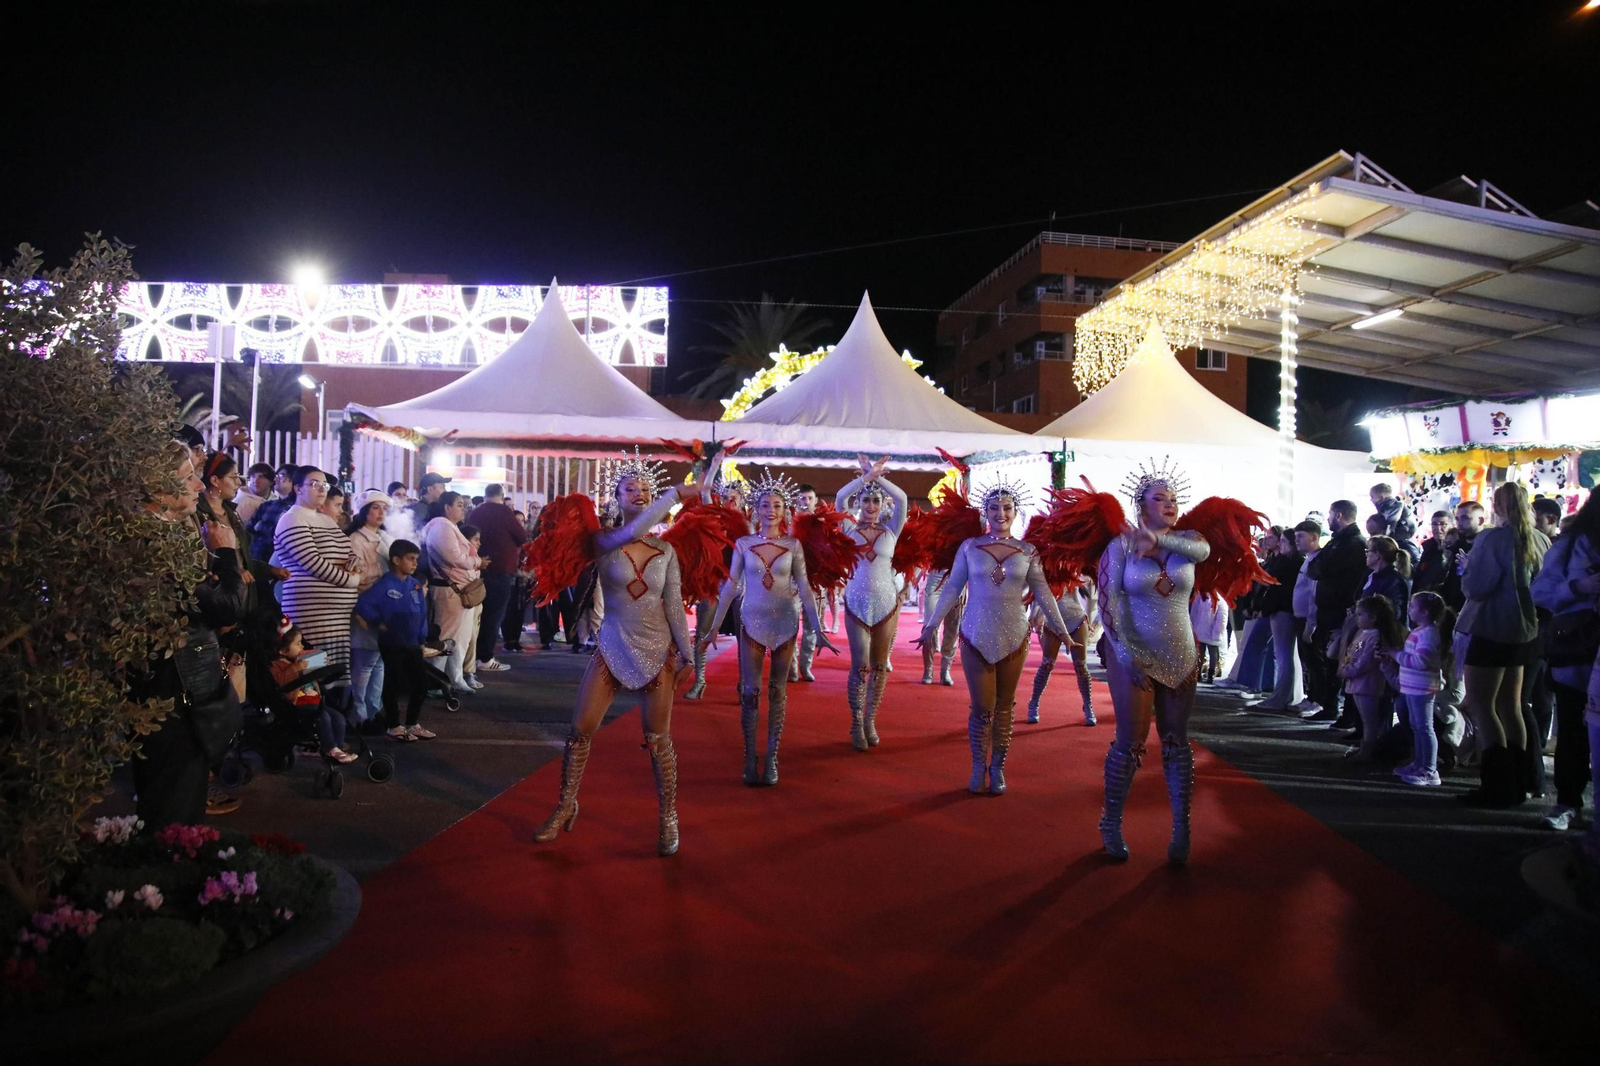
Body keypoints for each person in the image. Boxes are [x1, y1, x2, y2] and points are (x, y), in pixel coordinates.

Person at [533, 458, 703, 855]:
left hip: (657, 648)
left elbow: (675, 605)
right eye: (631, 489)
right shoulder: (604, 541)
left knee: (657, 739)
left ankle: (667, 818)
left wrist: (689, 655)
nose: (640, 494)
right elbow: (632, 532)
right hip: (611, 645)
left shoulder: (665, 550)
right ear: (616, 498)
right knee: (579, 731)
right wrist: (674, 494)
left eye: (646, 489)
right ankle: (565, 805)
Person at [917, 479, 1072, 796]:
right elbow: (952, 587)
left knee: (1005, 707)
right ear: (984, 512)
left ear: (1016, 512)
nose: (1000, 513)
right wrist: (931, 624)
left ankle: (998, 768)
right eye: (994, 508)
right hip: (975, 632)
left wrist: (1064, 631)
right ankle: (977, 766)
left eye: (1007, 508)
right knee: (981, 707)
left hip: (1015, 635)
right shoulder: (970, 547)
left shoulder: (1028, 551)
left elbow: (1043, 593)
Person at [131, 441, 249, 827]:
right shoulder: (152, 544)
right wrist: (228, 555)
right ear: (160, 487)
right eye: (189, 477)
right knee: (173, 810)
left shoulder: (160, 535)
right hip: (171, 695)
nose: (200, 487)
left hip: (175, 688)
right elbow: (226, 606)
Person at [702, 470, 835, 786]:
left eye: (776, 505)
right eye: (765, 504)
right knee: (750, 691)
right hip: (752, 619)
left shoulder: (793, 545)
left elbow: (803, 586)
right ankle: (750, 756)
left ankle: (772, 757)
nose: (770, 510)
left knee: (778, 690)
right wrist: (713, 627)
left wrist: (818, 629)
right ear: (755, 508)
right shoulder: (743, 543)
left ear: (785, 510)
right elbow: (732, 585)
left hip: (786, 620)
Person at [1457, 482, 1551, 807]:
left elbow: (1478, 585)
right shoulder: (1539, 539)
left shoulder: (1493, 539)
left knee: (1482, 704)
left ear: (1496, 506)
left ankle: (1497, 785)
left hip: (1490, 626)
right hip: (1525, 630)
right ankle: (1520, 781)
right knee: (1512, 706)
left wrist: (1465, 573)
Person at [1531, 488, 1600, 830]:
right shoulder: (1569, 546)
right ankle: (1568, 802)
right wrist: (1578, 589)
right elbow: (1539, 592)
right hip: (1577, 648)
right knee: (1573, 726)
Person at [833, 456, 909, 750]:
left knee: (878, 666)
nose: (870, 505)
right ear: (859, 504)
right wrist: (866, 477)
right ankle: (855, 720)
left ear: (882, 504)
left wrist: (878, 477)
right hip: (855, 603)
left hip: (886, 604)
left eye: (876, 500)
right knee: (860, 666)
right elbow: (840, 497)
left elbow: (901, 498)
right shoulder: (848, 530)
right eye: (865, 500)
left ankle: (870, 719)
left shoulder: (892, 531)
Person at [273, 466, 361, 698]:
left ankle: (332, 724)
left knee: (333, 673)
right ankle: (315, 724)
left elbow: (349, 553)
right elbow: (312, 562)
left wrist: (354, 568)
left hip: (337, 619)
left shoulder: (326, 519)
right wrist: (351, 582)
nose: (322, 489)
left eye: (324, 485)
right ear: (298, 488)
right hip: (311, 615)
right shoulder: (291, 518)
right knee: (313, 676)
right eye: (314, 484)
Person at [356, 539, 431, 742]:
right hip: (392, 642)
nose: (415, 563)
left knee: (420, 684)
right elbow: (363, 603)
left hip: (412, 642)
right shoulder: (384, 584)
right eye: (410, 559)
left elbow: (422, 614)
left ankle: (412, 723)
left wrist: (422, 639)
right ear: (396, 560)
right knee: (393, 683)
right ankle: (393, 725)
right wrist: (377, 622)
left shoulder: (415, 585)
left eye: (416, 559)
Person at [1305, 501, 1369, 724]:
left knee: (1339, 660)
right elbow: (1314, 568)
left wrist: (1322, 569)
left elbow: (1324, 568)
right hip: (1328, 609)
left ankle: (1342, 710)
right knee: (1328, 658)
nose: (1328, 520)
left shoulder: (1353, 544)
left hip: (1341, 610)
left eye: (1331, 515)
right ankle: (1329, 705)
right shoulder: (1336, 542)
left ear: (1339, 515)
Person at [1387, 591, 1454, 787]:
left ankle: (1429, 769)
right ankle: (1419, 763)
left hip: (1422, 687)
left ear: (1424, 612)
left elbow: (1420, 661)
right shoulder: (1420, 631)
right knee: (1418, 727)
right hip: (1413, 686)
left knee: (1425, 727)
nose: (1410, 609)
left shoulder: (1428, 634)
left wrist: (1396, 655)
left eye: (1413, 606)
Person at [422, 491, 481, 695]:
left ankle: (454, 678)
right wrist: (477, 562)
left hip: (458, 590)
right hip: (449, 591)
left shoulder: (449, 527)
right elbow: (453, 557)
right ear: (446, 507)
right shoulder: (441, 526)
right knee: (446, 637)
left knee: (461, 637)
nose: (462, 508)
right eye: (458, 504)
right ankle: (434, 681)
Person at [272, 624, 357, 764]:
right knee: (323, 718)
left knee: (338, 718)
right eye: (298, 644)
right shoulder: (277, 665)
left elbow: (316, 680)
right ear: (282, 651)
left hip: (313, 702)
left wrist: (321, 666)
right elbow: (279, 682)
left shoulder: (303, 661)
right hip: (296, 705)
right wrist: (295, 668)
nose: (302, 647)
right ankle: (331, 749)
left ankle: (337, 747)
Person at [467, 483, 529, 671]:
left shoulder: (475, 513)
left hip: (478, 568)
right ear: (502, 496)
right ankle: (485, 658)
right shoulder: (504, 513)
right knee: (494, 616)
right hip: (501, 570)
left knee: (477, 615)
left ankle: (473, 657)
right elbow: (521, 536)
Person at [346, 490, 392, 729]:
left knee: (379, 662)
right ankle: (360, 715)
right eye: (375, 507)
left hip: (384, 607)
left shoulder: (384, 537)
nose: (381, 512)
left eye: (384, 508)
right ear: (364, 511)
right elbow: (358, 577)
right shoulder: (356, 540)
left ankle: (374, 710)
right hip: (365, 605)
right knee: (364, 663)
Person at [1339, 595, 1404, 761]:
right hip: (1357, 682)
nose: (1357, 618)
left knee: (1370, 721)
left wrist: (1348, 671)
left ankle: (1368, 752)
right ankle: (1365, 748)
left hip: (1368, 683)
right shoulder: (1363, 633)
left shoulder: (1375, 636)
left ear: (1373, 618)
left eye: (1360, 615)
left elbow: (1366, 662)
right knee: (1364, 719)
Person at [1025, 578, 1098, 725]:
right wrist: (1035, 617)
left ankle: (1088, 705)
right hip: (1052, 621)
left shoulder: (1077, 566)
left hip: (1076, 619)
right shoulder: (1044, 569)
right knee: (1047, 665)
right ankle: (1033, 703)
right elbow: (1039, 594)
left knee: (1081, 666)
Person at [1253, 532, 1305, 712]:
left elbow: (1280, 589)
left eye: (1283, 541)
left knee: (1284, 655)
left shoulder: (1292, 563)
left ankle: (1281, 696)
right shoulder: (1287, 561)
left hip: (1284, 610)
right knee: (1287, 655)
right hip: (1282, 609)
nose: (1280, 544)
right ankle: (1287, 695)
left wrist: (1267, 607)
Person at [788, 482, 823, 684]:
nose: (806, 502)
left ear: (815, 500)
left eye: (810, 498)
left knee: (811, 625)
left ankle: (805, 666)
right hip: (791, 581)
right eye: (802, 498)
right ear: (796, 500)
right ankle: (791, 667)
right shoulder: (789, 522)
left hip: (815, 580)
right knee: (790, 624)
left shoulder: (822, 522)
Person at [1290, 521, 1324, 717]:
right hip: (1300, 615)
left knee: (1314, 661)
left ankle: (1318, 699)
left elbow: (1313, 594)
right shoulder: (1308, 559)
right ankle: (1311, 696)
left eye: (1300, 537)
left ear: (1314, 537)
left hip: (1308, 618)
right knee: (1307, 660)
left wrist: (1311, 623)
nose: (1297, 542)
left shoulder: (1317, 561)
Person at [920, 566, 963, 686]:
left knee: (952, 629)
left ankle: (945, 670)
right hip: (936, 580)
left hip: (958, 580)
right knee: (929, 627)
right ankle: (928, 669)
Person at [247, 463, 296, 562]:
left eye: (282, 475)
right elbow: (248, 530)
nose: (276, 479)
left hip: (280, 564)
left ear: (294, 480)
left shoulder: (296, 509)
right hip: (255, 560)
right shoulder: (267, 505)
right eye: (276, 476)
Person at [1361, 535, 1412, 621]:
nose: (1366, 554)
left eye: (1368, 551)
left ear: (1378, 555)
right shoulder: (1370, 574)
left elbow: (1394, 613)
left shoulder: (1393, 581)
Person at [1191, 594, 1230, 685]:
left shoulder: (1220, 600)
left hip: (1211, 634)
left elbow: (1222, 619)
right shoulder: (1200, 597)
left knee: (1212, 655)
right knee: (1201, 654)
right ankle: (1199, 673)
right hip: (1202, 632)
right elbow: (1194, 612)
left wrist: (1217, 632)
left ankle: (1211, 673)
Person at [1413, 510, 1451, 593]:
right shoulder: (1428, 547)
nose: (1438, 528)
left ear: (1452, 525)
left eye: (1443, 524)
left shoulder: (1455, 549)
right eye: (1434, 524)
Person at [406, 471, 451, 536]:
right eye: (442, 487)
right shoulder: (419, 512)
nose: (445, 491)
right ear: (430, 489)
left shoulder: (414, 509)